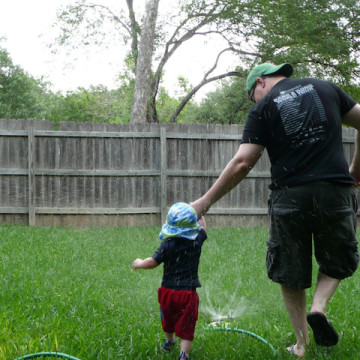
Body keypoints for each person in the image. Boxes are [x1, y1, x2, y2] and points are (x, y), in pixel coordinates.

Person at [191, 62, 360, 358]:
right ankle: (318, 308)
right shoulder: (325, 87)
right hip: (335, 190)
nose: (253, 101)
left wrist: (203, 202)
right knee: (337, 259)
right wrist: (356, 170)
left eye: (251, 96)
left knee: (290, 271)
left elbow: (243, 163)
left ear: (260, 83)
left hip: (290, 196)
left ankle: (301, 344)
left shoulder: (263, 108)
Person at [132, 202, 207, 360]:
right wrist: (199, 212)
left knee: (167, 318)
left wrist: (139, 263)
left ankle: (169, 340)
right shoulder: (196, 243)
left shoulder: (167, 245)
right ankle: (183, 354)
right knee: (187, 325)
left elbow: (152, 262)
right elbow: (203, 228)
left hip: (168, 292)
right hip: (188, 293)